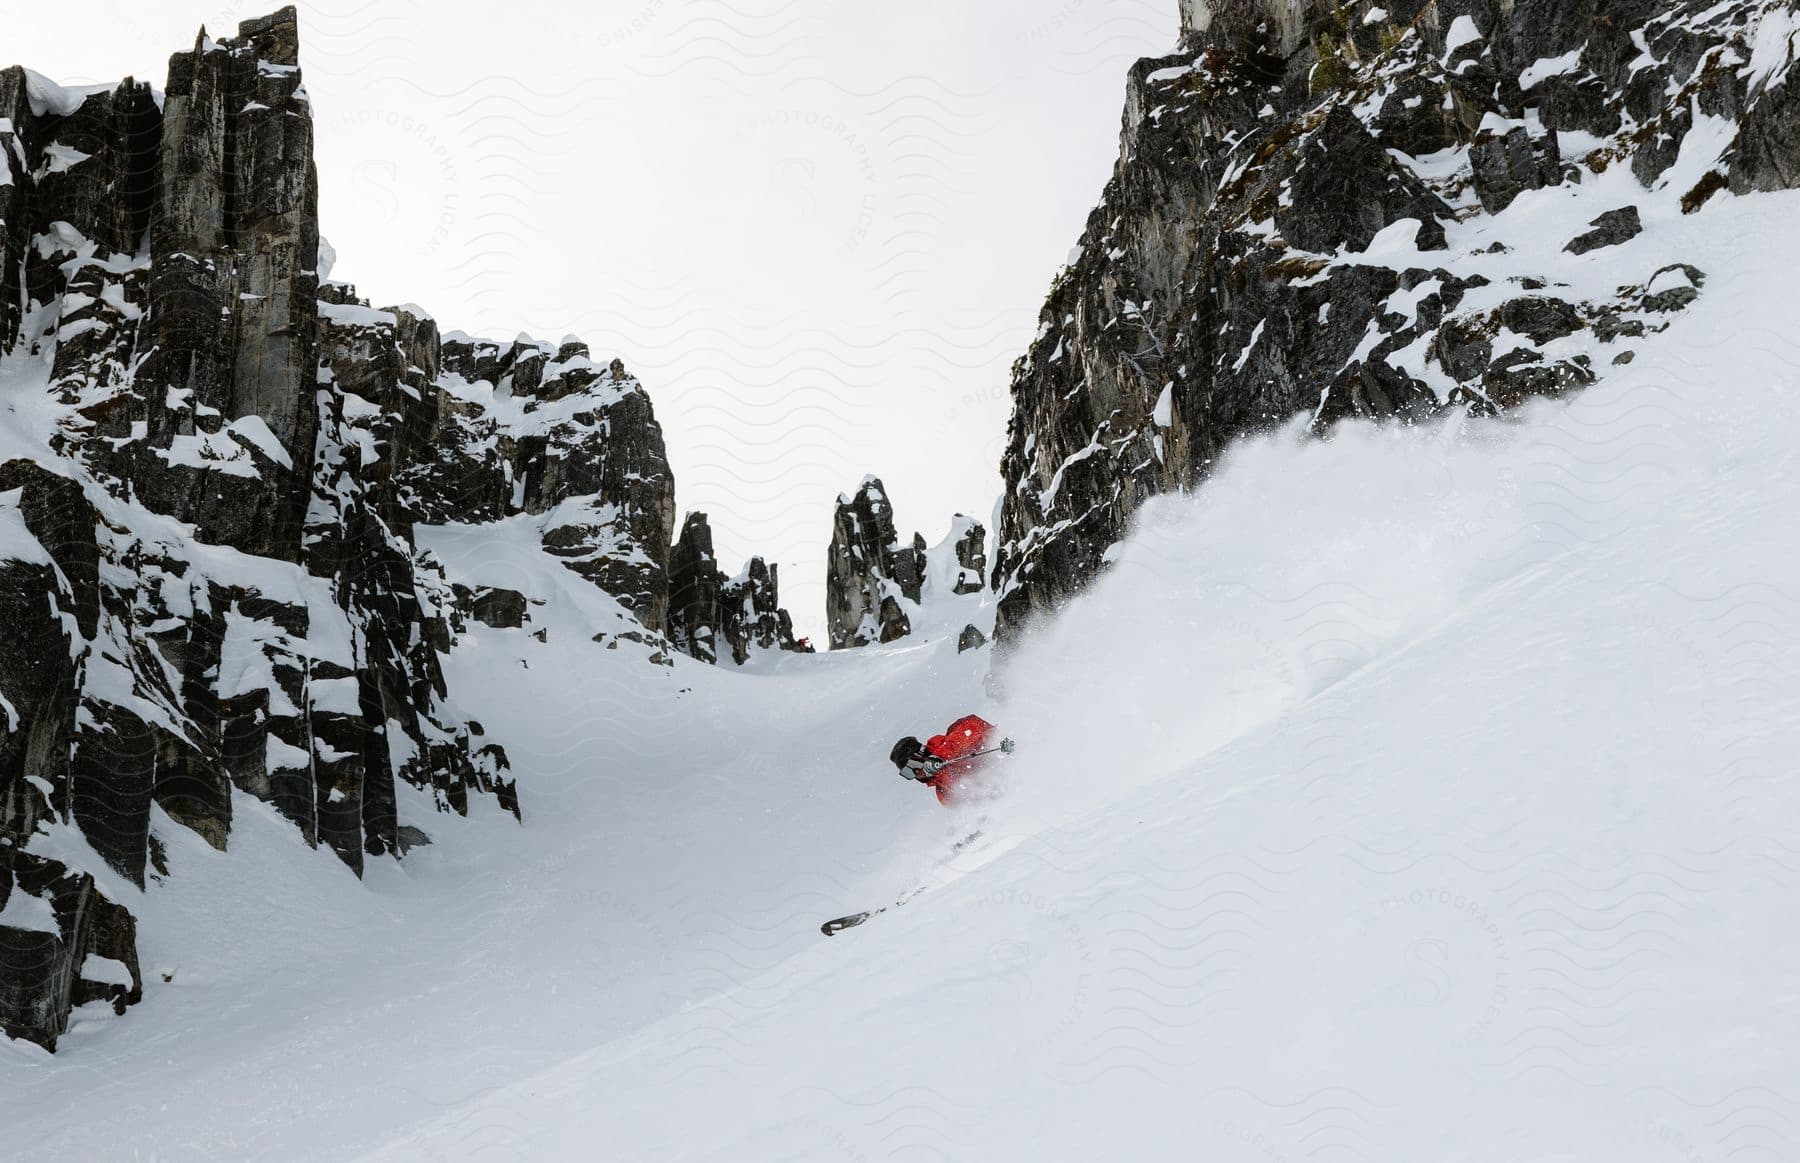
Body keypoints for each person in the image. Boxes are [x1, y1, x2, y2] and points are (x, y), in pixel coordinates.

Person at [890, 715, 1014, 807]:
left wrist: (940, 756)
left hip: (1009, 761)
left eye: (913, 766)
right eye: (908, 774)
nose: (916, 774)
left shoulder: (950, 742)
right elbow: (965, 809)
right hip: (1001, 798)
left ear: (920, 755)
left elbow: (973, 726)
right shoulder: (943, 792)